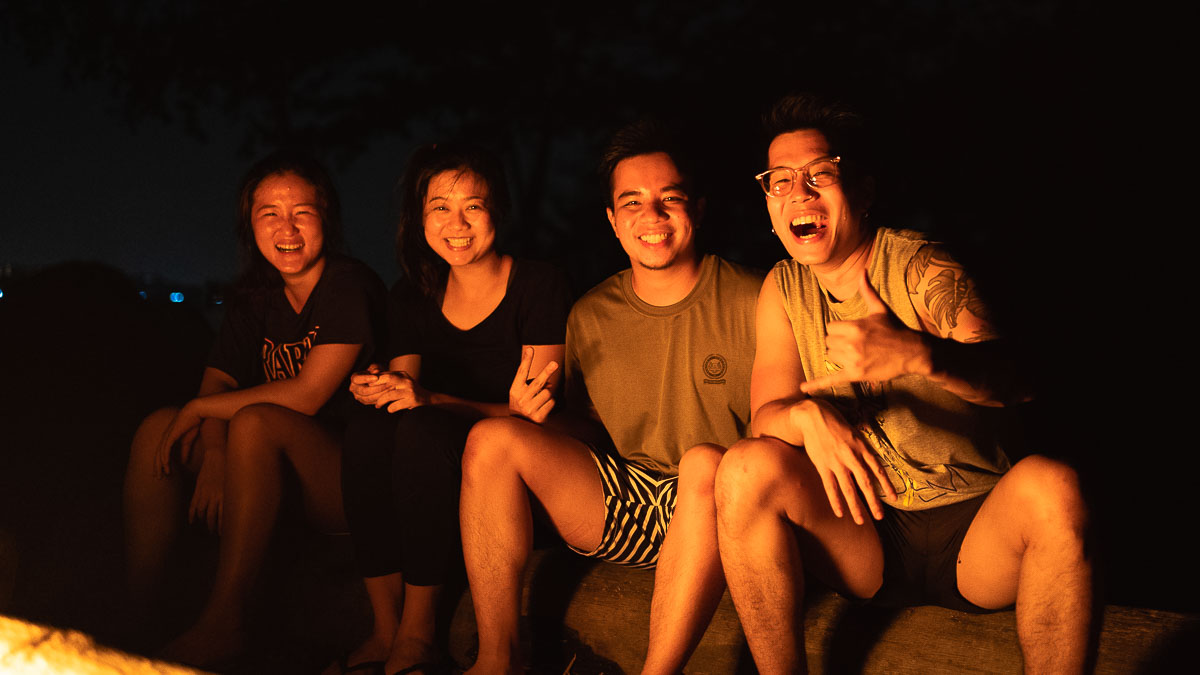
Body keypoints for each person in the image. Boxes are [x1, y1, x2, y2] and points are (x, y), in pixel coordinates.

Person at [714, 93, 1094, 673]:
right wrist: (802, 416)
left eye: (821, 173)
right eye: (781, 181)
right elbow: (766, 414)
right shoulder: (783, 287)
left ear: (863, 192)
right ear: (767, 202)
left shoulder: (919, 265)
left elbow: (1019, 380)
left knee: (1055, 485)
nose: (800, 193)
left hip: (974, 530)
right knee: (743, 467)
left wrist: (921, 355)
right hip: (867, 529)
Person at [458, 120, 763, 674]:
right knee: (493, 439)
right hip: (632, 498)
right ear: (612, 222)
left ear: (696, 206)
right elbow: (593, 432)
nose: (652, 216)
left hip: (723, 505)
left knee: (702, 465)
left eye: (669, 198)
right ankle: (496, 659)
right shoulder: (592, 315)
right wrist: (539, 419)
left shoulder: (753, 297)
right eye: (632, 202)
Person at [123, 150, 387, 667]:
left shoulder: (349, 285)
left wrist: (204, 410)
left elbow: (308, 393)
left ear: (326, 217)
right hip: (263, 463)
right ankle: (138, 611)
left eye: (301, 212)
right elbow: (216, 384)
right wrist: (216, 454)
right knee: (160, 428)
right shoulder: (255, 299)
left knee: (257, 420)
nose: (286, 228)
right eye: (270, 213)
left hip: (349, 479)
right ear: (250, 222)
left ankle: (226, 624)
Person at [333, 143, 572, 675]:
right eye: (440, 206)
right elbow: (407, 390)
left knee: (423, 431)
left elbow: (536, 414)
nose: (456, 222)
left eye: (473, 205)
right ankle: (384, 628)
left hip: (510, 472)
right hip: (431, 463)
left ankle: (418, 635)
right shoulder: (413, 293)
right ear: (419, 218)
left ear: (498, 213)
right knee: (370, 431)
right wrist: (377, 386)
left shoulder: (537, 284)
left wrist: (432, 400)